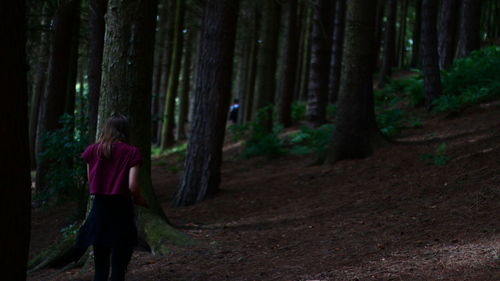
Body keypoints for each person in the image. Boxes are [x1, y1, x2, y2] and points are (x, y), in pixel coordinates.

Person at [74, 115, 146, 281]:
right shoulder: (132, 152)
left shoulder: (92, 151)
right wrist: (140, 200)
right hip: (121, 214)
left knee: (100, 269)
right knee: (119, 269)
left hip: (99, 213)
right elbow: (133, 186)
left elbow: (91, 181)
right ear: (125, 131)